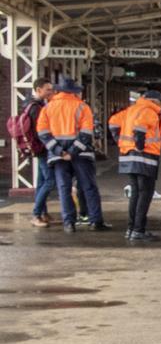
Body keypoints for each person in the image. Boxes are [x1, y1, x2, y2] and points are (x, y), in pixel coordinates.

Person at [35, 77, 109, 233]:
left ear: (58, 91)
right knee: (89, 187)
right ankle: (95, 221)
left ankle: (69, 223)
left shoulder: (47, 109)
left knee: (64, 188)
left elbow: (43, 133)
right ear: (74, 92)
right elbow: (86, 133)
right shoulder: (82, 107)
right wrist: (73, 151)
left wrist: (59, 151)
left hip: (58, 157)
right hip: (81, 155)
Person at [118, 90, 161, 242]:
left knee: (135, 193)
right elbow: (139, 130)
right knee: (145, 193)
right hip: (144, 157)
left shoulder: (131, 110)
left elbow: (113, 123)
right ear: (154, 101)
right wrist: (139, 145)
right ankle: (138, 230)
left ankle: (131, 229)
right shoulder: (149, 111)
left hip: (127, 156)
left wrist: (125, 144)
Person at [19, 78, 56, 227]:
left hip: (37, 148)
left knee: (41, 182)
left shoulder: (29, 104)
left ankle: (42, 213)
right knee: (50, 181)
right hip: (42, 148)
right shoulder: (37, 108)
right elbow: (41, 131)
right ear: (39, 90)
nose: (51, 92)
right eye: (48, 89)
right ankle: (36, 214)